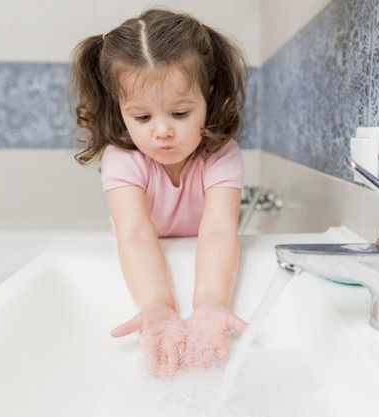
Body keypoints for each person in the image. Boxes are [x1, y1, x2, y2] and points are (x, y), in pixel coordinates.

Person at [69, 9, 248, 379]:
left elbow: (218, 230)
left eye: (180, 113)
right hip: (143, 259)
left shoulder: (220, 154)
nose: (162, 132)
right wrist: (157, 304)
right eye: (143, 118)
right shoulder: (122, 157)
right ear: (119, 109)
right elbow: (134, 232)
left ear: (208, 96)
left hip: (192, 249)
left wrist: (212, 302)